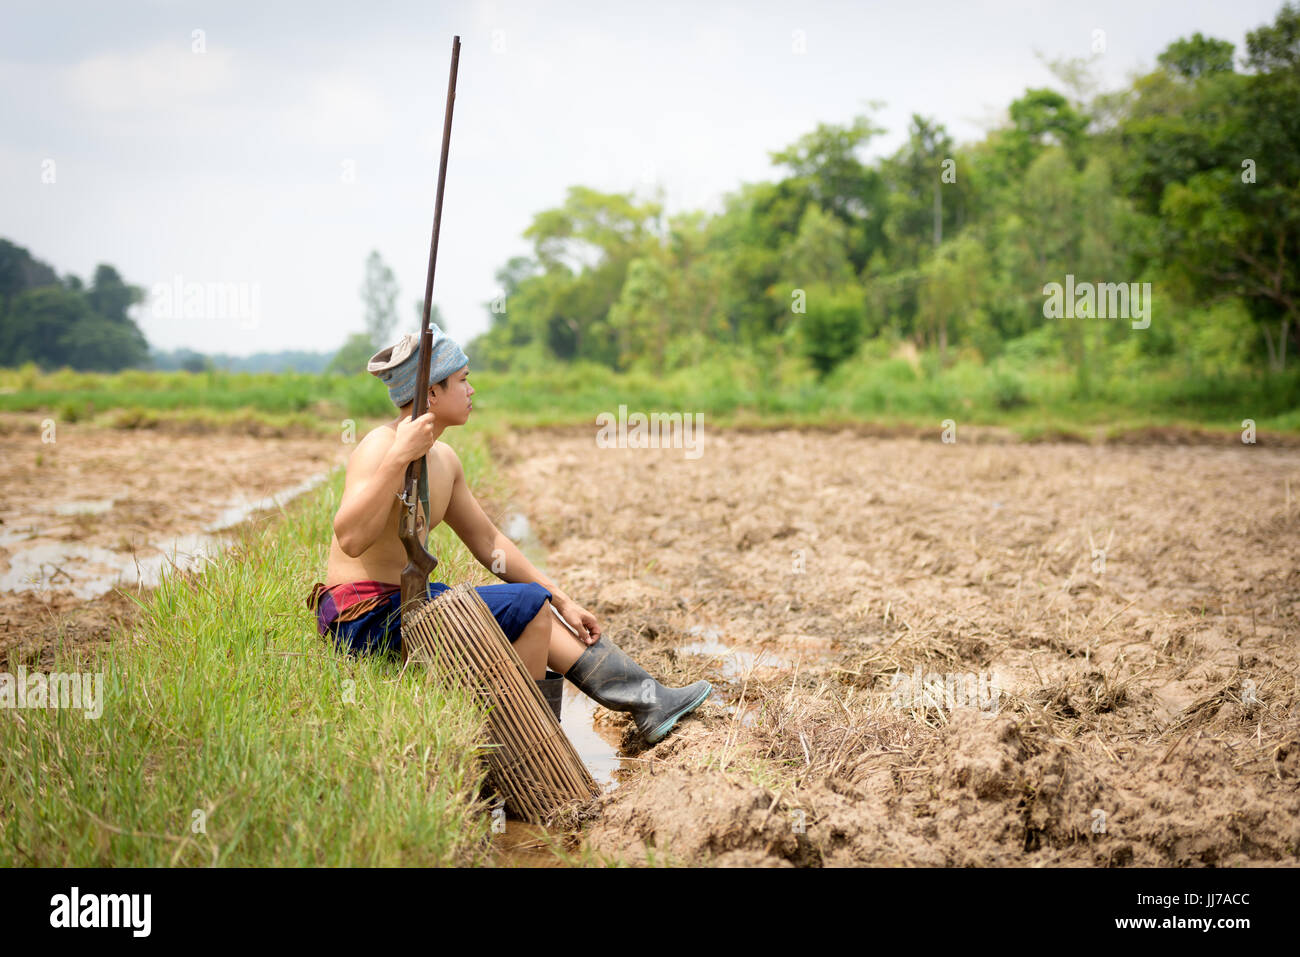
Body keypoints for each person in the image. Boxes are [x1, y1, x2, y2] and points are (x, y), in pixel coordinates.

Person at [305, 328, 710, 745]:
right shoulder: (379, 447)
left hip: (412, 604)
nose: (471, 389)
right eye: (462, 380)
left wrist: (563, 600)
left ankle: (647, 700)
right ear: (431, 394)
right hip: (364, 617)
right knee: (527, 608)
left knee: (539, 610)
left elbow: (490, 542)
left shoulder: (445, 459)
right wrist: (397, 458)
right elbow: (351, 538)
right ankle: (534, 750)